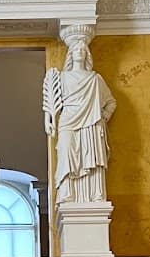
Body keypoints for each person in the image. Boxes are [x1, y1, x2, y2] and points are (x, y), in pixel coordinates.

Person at [43, 35, 116, 205]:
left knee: (92, 155)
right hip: (67, 120)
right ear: (70, 54)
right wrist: (48, 119)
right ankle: (68, 193)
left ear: (87, 54)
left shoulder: (95, 79)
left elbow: (111, 102)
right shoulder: (62, 77)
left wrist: (103, 116)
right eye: (76, 49)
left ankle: (96, 194)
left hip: (91, 122)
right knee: (65, 152)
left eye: (83, 49)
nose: (79, 52)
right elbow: (51, 101)